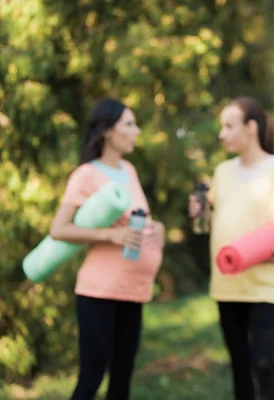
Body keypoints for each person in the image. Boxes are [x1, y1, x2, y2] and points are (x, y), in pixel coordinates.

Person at [189, 97, 274, 400]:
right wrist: (199, 211)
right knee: (240, 365)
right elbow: (217, 213)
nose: (222, 134)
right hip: (227, 284)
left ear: (251, 127)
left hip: (263, 285)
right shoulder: (222, 171)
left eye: (228, 127)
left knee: (263, 362)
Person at [50, 98, 165, 400]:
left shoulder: (129, 170)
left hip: (135, 288)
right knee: (92, 376)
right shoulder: (86, 175)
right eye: (129, 124)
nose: (136, 131)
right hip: (99, 291)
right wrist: (111, 237)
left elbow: (138, 222)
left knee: (122, 378)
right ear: (106, 131)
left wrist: (158, 229)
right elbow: (59, 228)